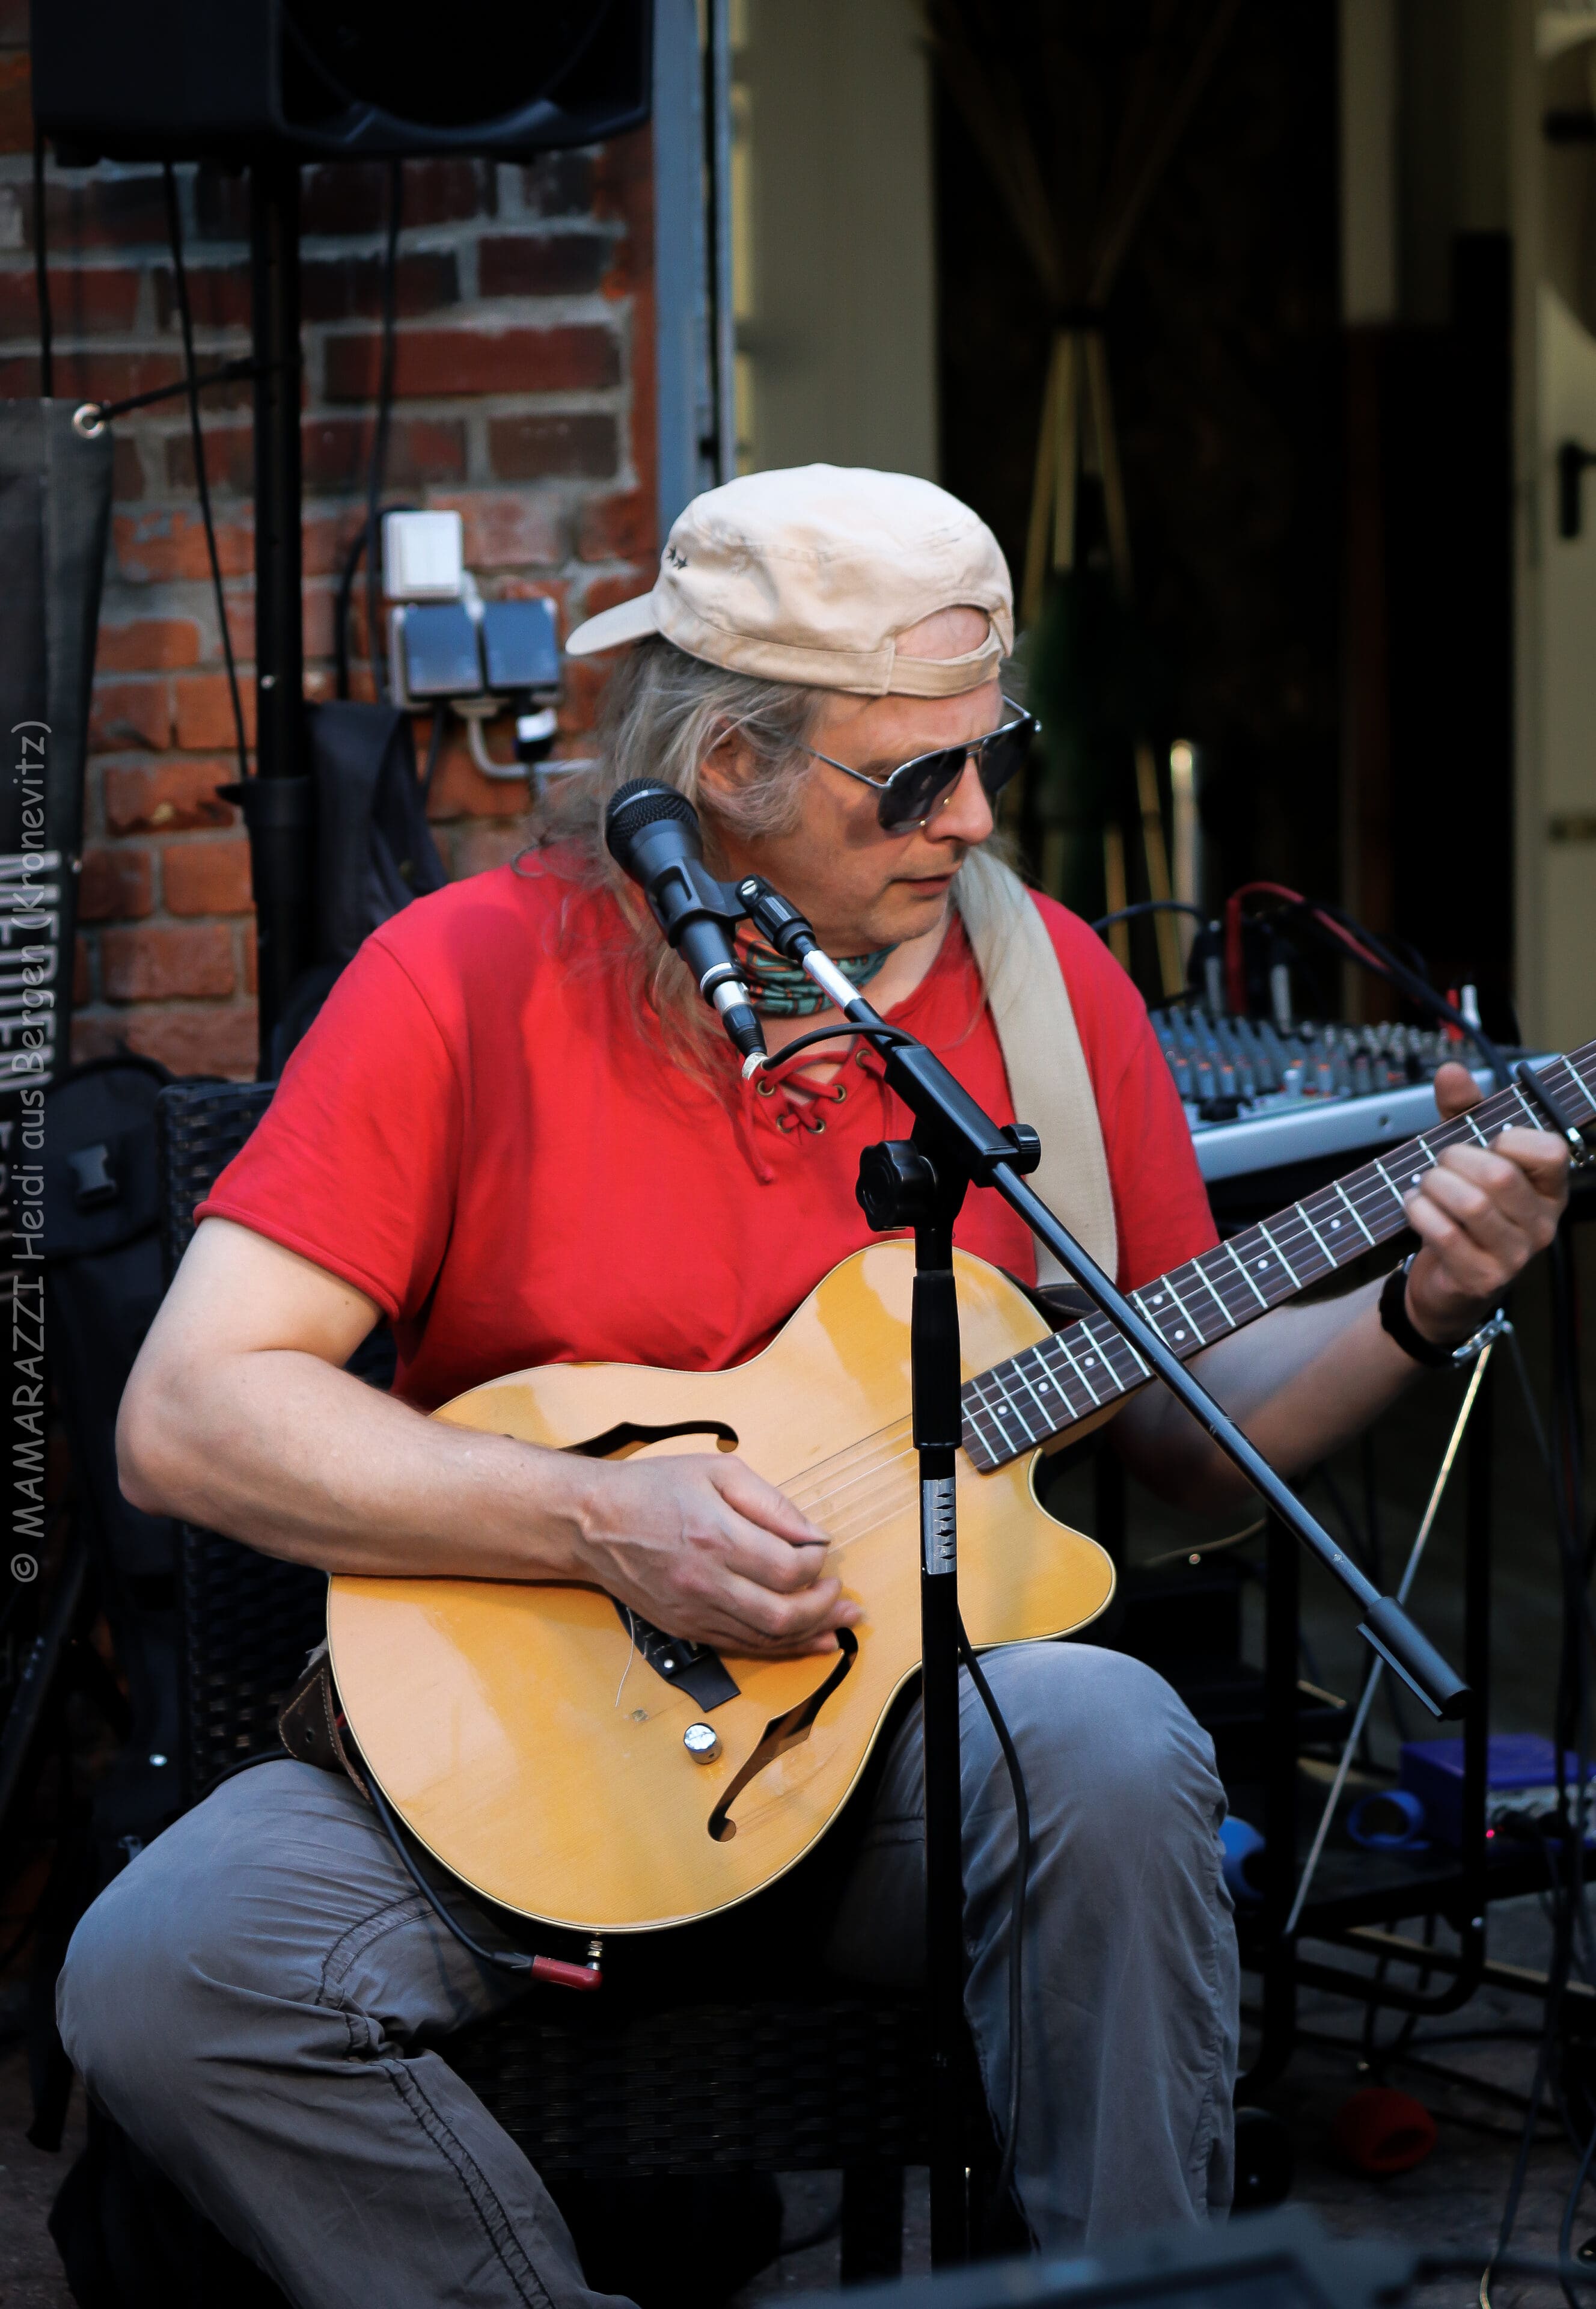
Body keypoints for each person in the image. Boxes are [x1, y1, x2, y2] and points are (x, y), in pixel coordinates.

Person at [58, 467, 1566, 2307]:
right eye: (913, 777)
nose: (978, 816)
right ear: (729, 767)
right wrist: (601, 1520)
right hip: (519, 1748)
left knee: (1115, 1744)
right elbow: (191, 1412)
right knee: (160, 1974)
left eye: (986, 750)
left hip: (895, 1775)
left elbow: (1182, 1434)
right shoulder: (461, 977)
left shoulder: (1044, 988)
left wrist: (1417, 1304)